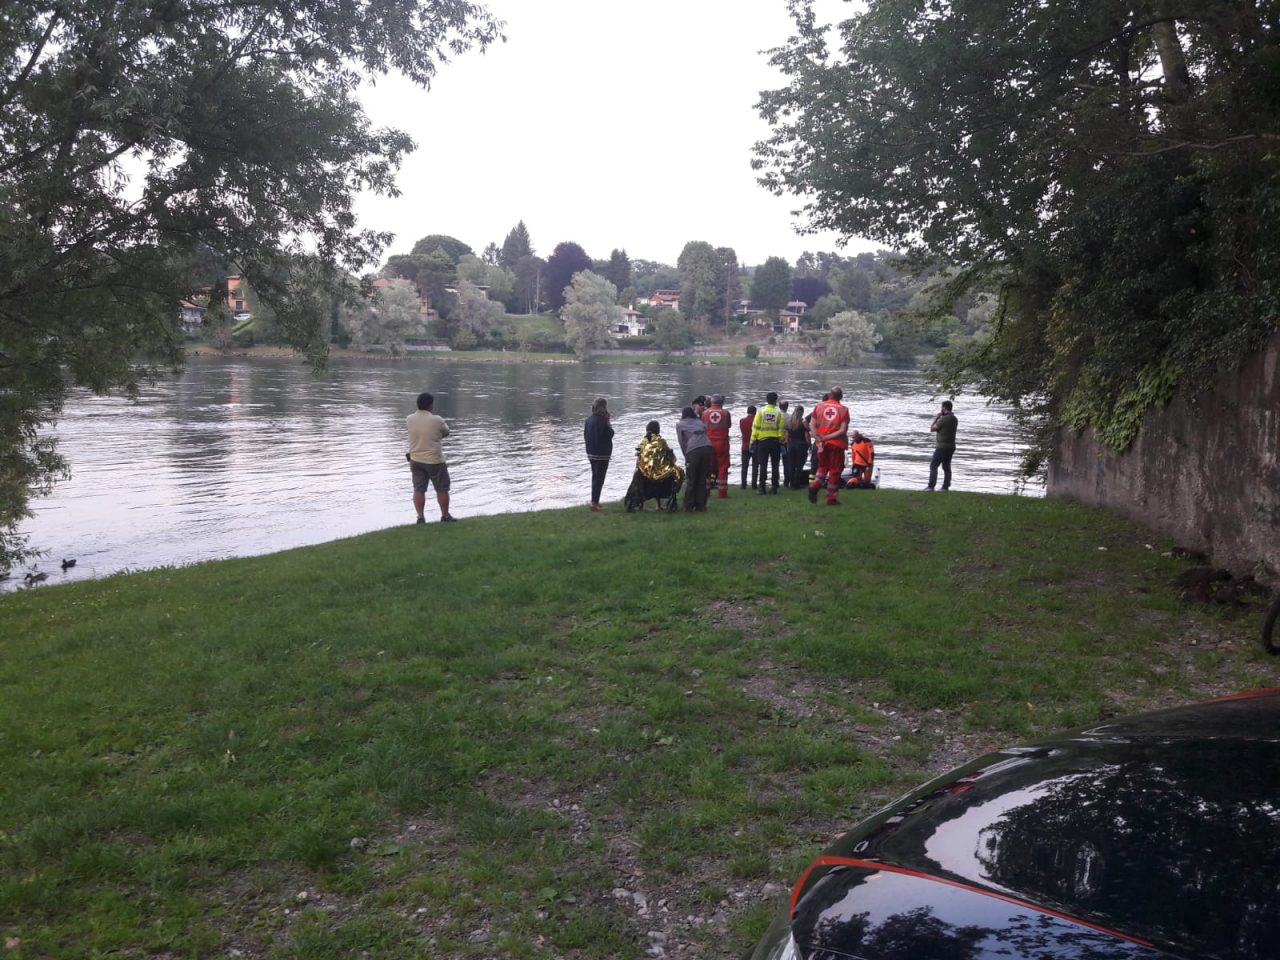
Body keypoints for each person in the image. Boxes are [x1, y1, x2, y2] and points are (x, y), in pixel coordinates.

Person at [406, 391, 456, 523]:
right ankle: (445, 516)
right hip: (434, 460)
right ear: (430, 405)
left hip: (415, 459)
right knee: (442, 489)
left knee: (418, 489)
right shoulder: (437, 420)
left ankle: (420, 518)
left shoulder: (409, 419)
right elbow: (446, 432)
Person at [808, 386, 850, 505]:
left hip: (821, 444)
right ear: (841, 397)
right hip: (836, 444)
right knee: (835, 471)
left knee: (822, 467)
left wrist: (819, 438)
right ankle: (831, 499)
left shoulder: (819, 406)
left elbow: (812, 425)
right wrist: (828, 437)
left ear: (830, 395)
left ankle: (815, 486)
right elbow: (842, 430)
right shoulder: (844, 410)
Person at [676, 406, 713, 511]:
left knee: (691, 478)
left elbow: (682, 442)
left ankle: (688, 505)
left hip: (693, 450)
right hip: (707, 448)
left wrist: (686, 455)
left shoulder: (680, 425)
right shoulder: (700, 422)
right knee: (702, 478)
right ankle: (701, 505)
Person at [751, 391, 785, 494]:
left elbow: (755, 427)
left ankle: (762, 487)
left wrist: (752, 440)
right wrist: (781, 440)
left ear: (767, 400)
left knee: (763, 465)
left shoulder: (761, 412)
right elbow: (781, 429)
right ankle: (774, 487)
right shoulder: (778, 413)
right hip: (775, 442)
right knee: (775, 465)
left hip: (763, 442)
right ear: (775, 401)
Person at [584, 397, 614, 511]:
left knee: (595, 477)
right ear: (603, 407)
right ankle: (594, 503)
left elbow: (585, 435)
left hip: (591, 453)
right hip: (602, 454)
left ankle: (594, 501)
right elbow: (610, 434)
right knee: (599, 478)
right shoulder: (602, 420)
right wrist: (608, 421)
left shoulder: (589, 419)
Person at [702, 394, 733, 498]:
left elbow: (702, 426)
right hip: (722, 442)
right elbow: (729, 425)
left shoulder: (705, 413)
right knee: (723, 466)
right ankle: (722, 493)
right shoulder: (726, 413)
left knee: (708, 467)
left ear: (711, 402)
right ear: (721, 403)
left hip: (709, 442)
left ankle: (706, 491)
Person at [927, 400, 958, 491]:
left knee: (933, 465)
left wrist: (937, 418)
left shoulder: (943, 419)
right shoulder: (954, 419)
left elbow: (932, 429)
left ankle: (931, 486)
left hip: (942, 447)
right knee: (946, 466)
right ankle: (945, 487)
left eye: (942, 407)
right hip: (951, 446)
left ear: (944, 408)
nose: (941, 409)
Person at [785, 405, 809, 489]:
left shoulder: (790, 422)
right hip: (801, 445)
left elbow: (787, 436)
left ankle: (791, 483)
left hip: (791, 445)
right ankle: (797, 483)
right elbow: (806, 436)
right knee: (799, 465)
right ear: (802, 412)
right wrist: (809, 445)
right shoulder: (803, 422)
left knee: (791, 464)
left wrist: (788, 444)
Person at [740, 404, 757, 490]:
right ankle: (754, 484)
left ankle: (743, 484)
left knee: (744, 466)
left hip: (745, 446)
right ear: (755, 412)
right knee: (755, 466)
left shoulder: (742, 421)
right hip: (755, 445)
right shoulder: (756, 421)